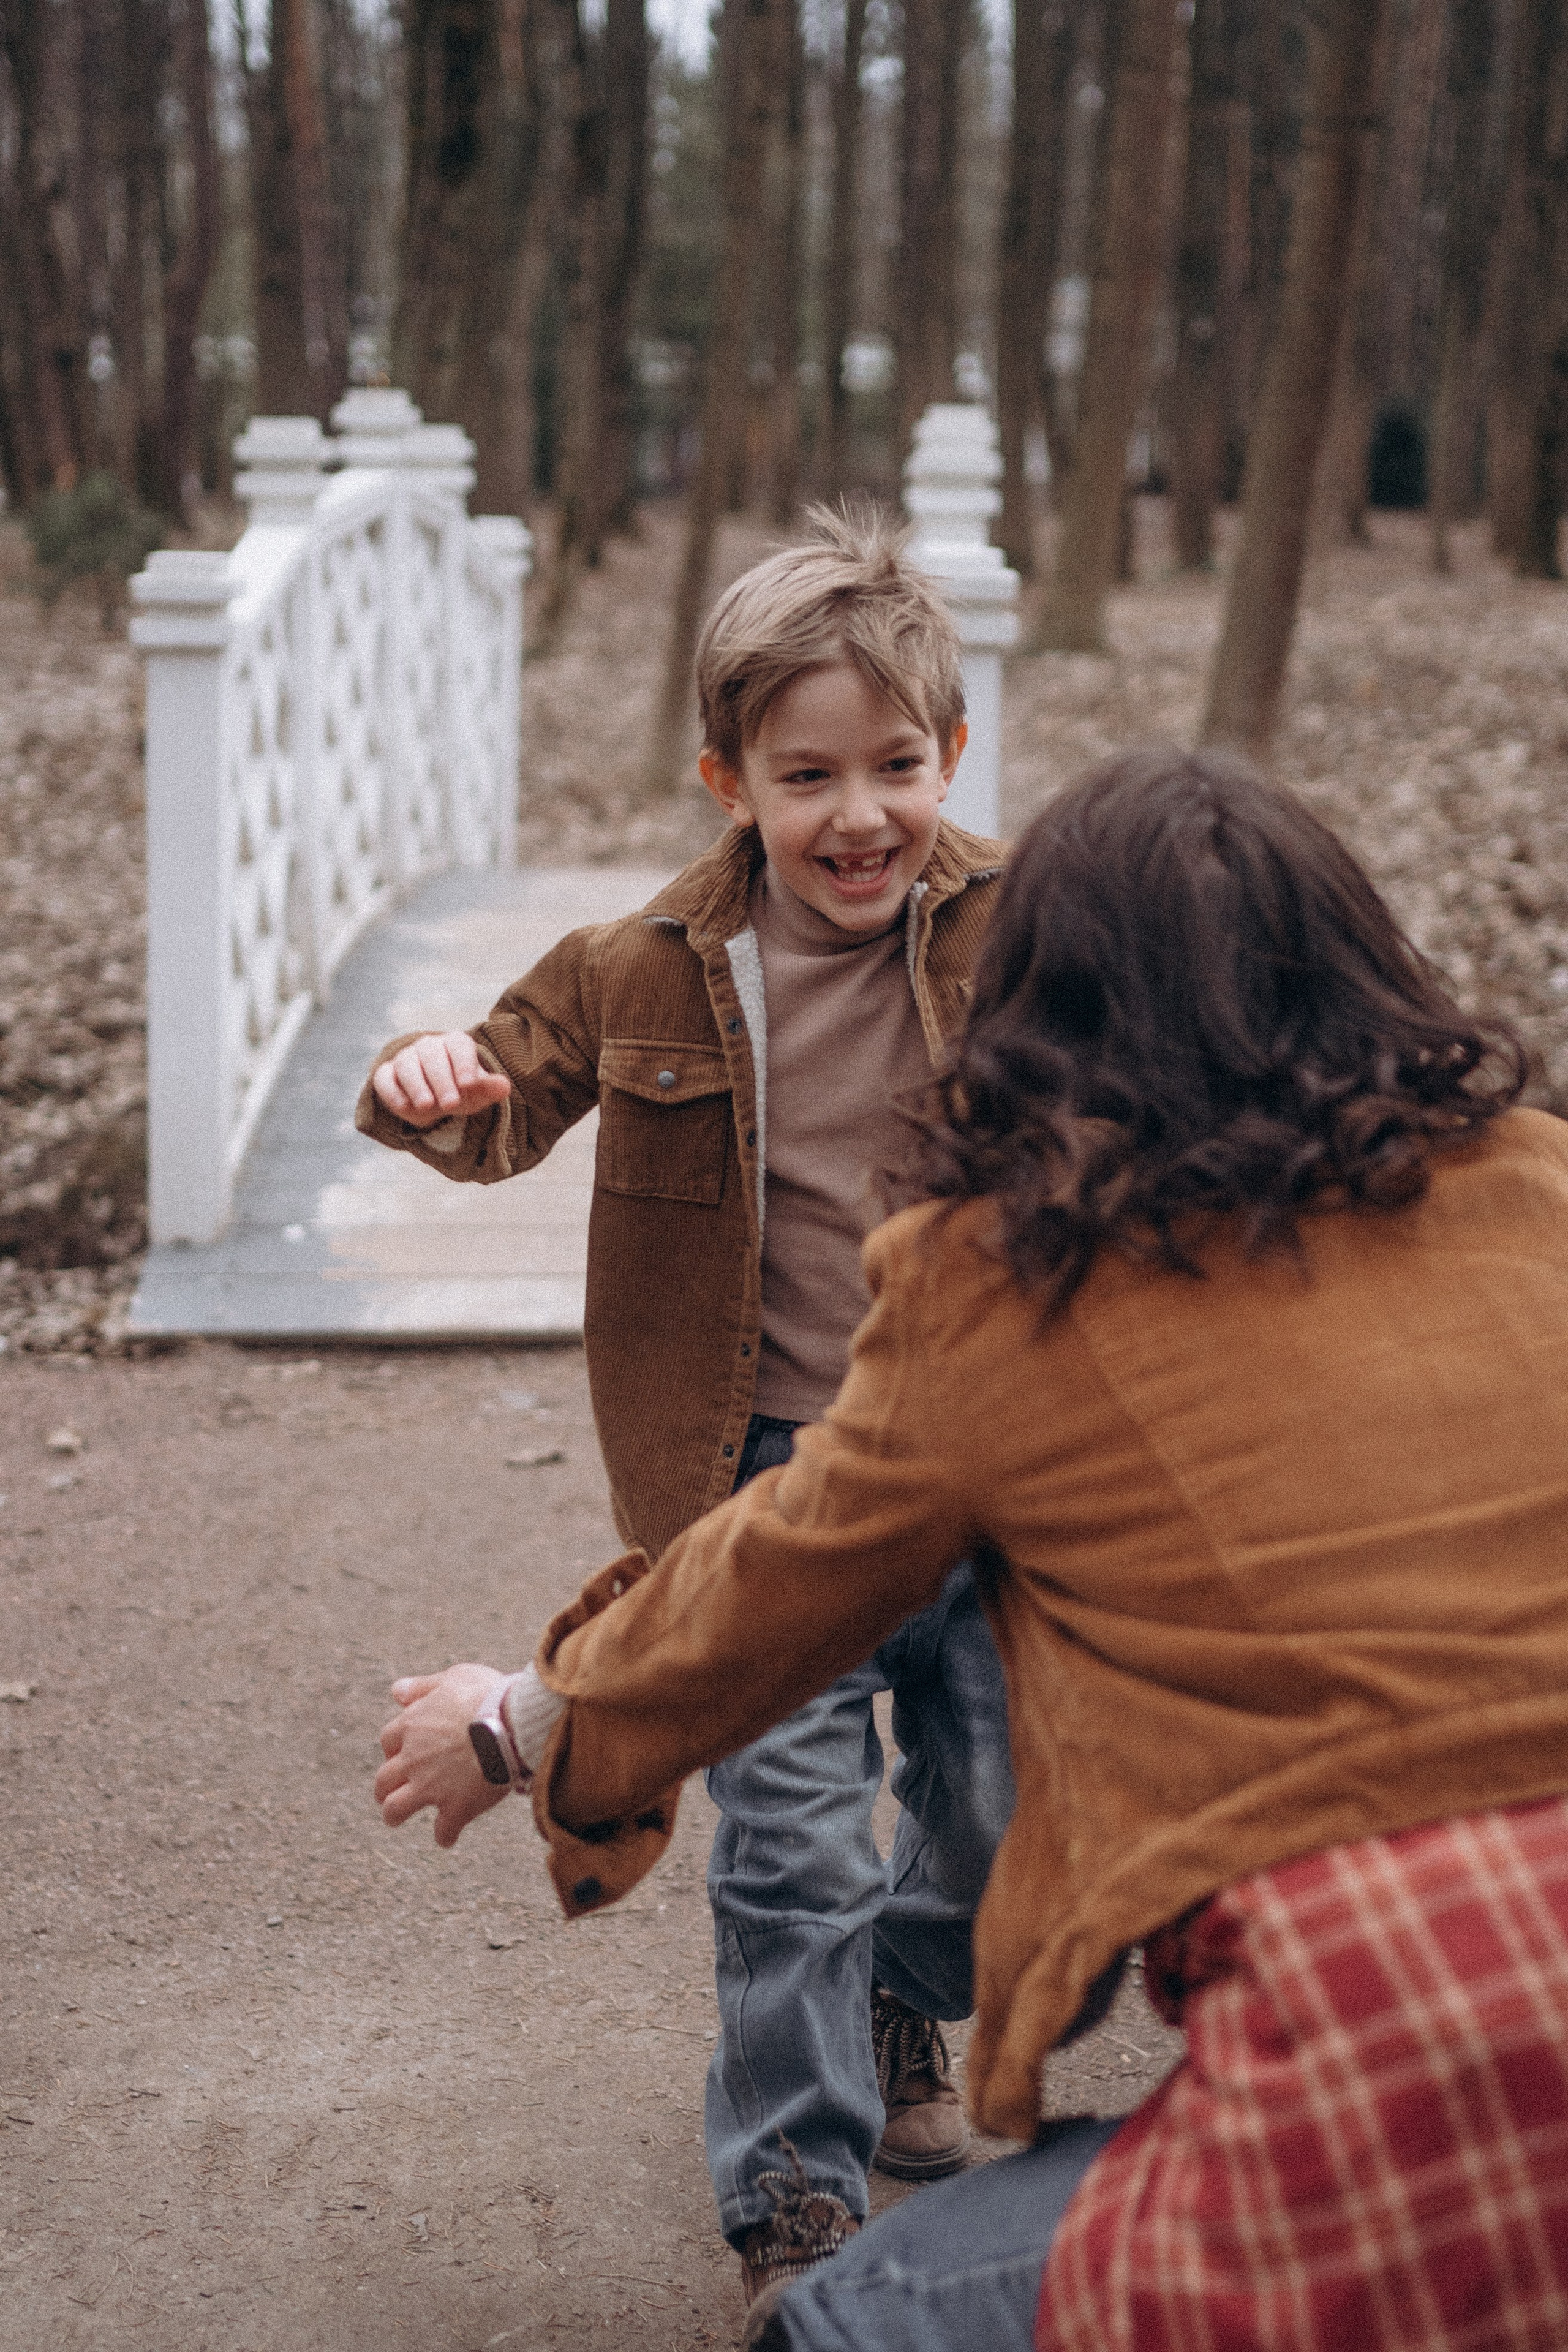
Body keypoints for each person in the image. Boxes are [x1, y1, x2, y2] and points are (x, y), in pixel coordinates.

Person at [376, 745, 1568, 2352]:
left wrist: (513, 1723)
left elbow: (769, 1589)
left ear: (1044, 1007)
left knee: (855, 2321)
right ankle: (826, 2122)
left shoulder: (1012, 1282)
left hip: (1399, 2035)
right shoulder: (1544, 1185)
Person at [356, 507, 1016, 2304]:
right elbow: (495, 1099)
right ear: (729, 779)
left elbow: (1161, 1090)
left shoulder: (1021, 932)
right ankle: (793, 2181)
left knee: (1004, 1806)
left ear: (949, 756)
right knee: (794, 1842)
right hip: (756, 1482)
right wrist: (432, 1084)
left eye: (896, 765)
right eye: (807, 775)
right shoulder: (638, 969)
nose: (859, 815)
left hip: (983, 1470)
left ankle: (907, 1994)